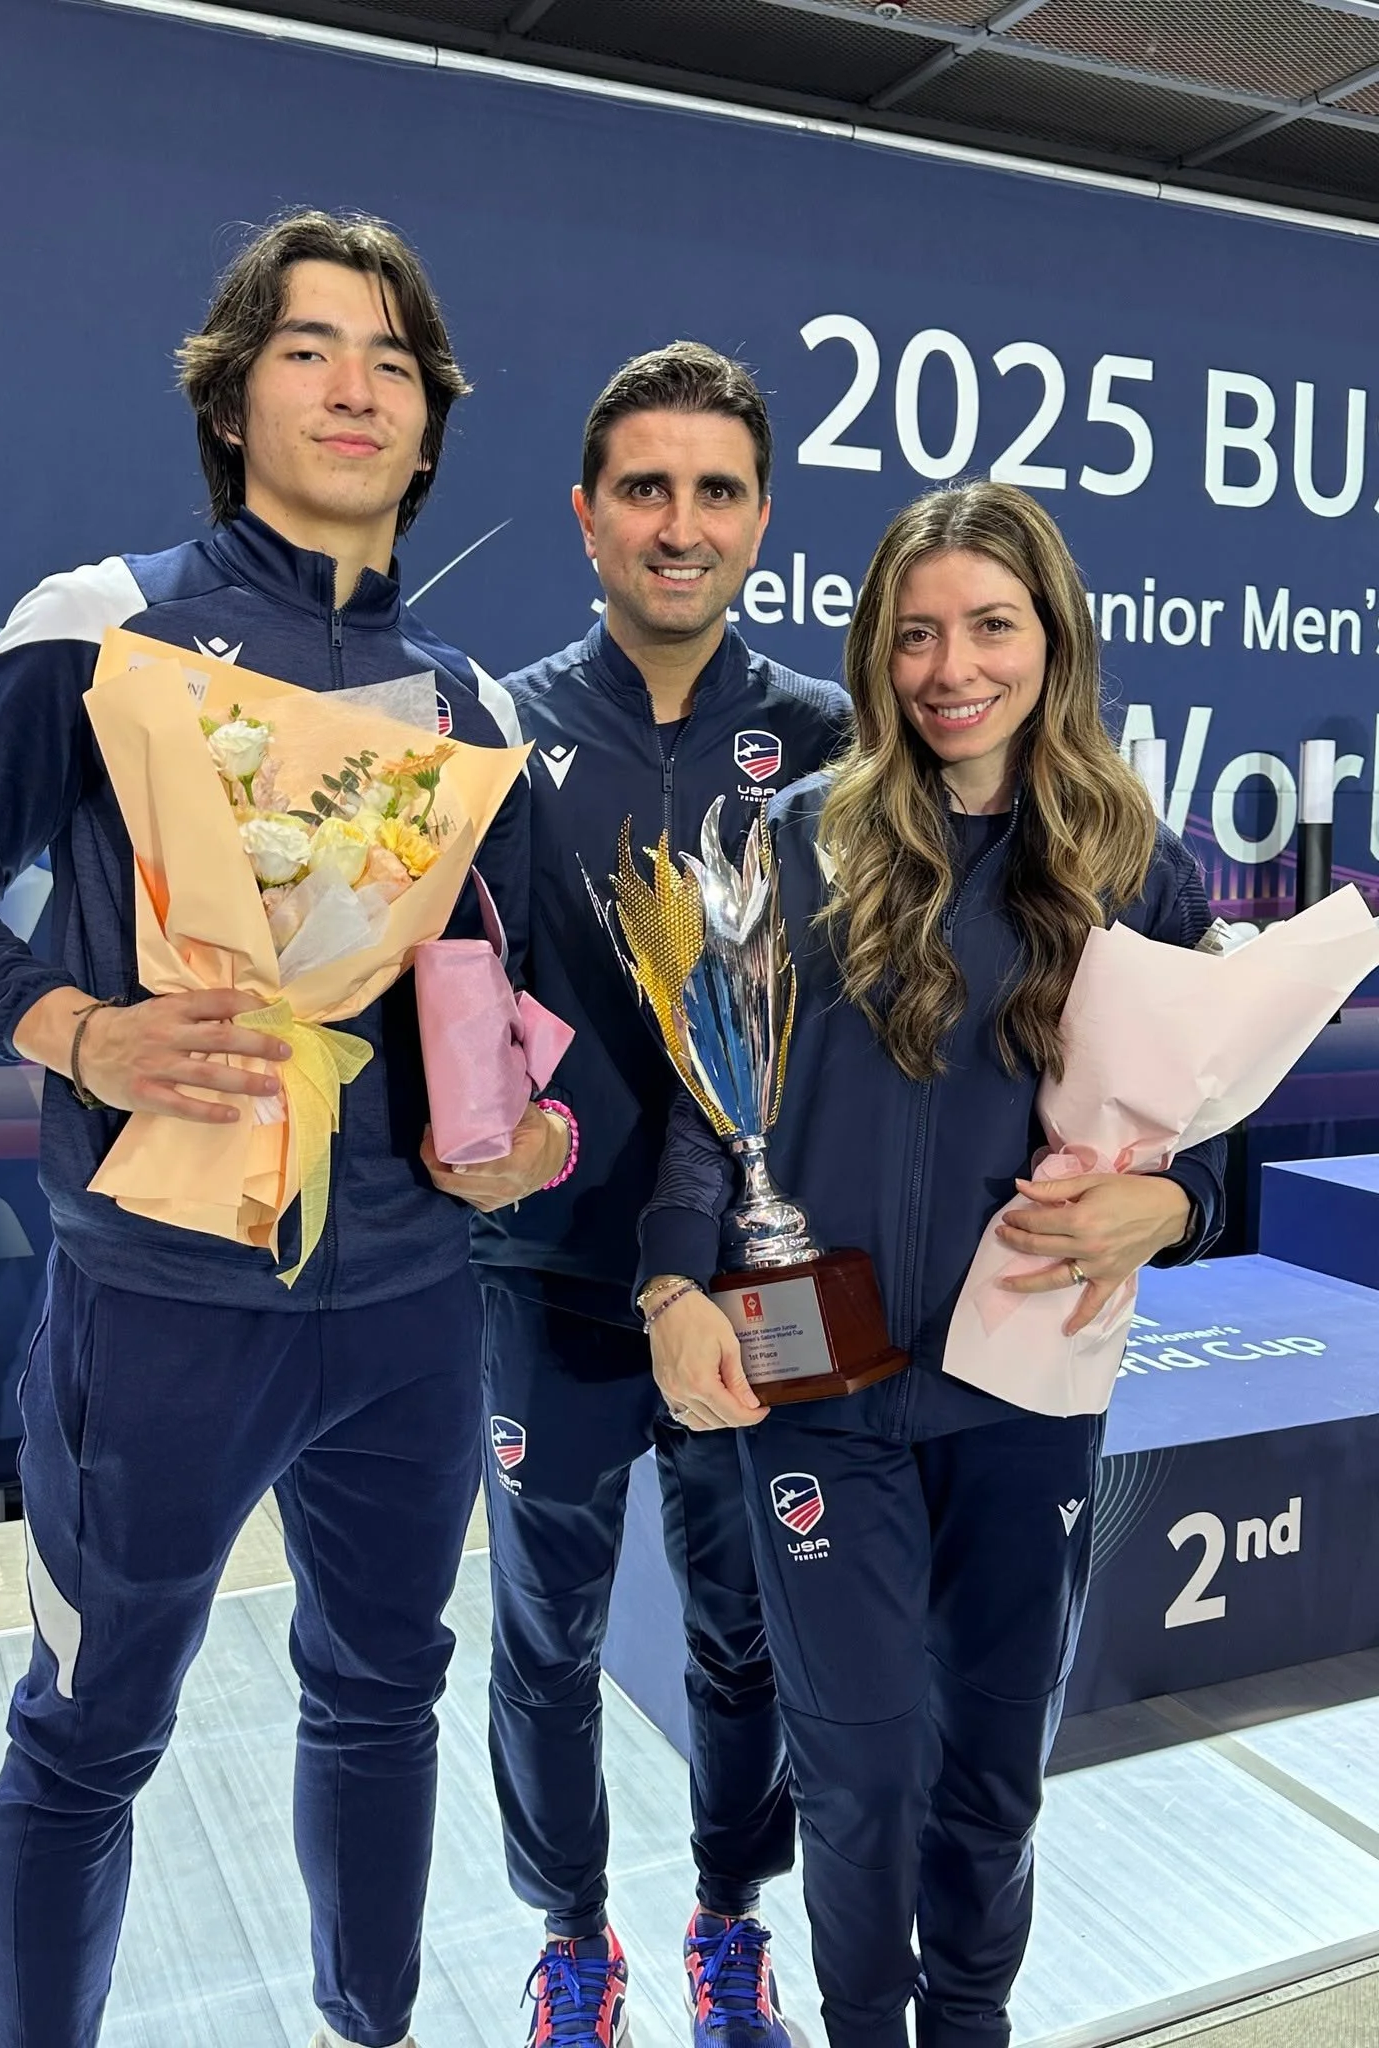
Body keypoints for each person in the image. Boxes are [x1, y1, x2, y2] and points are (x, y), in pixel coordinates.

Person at [0, 211, 565, 2048]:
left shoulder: (472, 711)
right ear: (232, 401)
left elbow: (512, 1027)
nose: (356, 385)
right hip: (155, 1315)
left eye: (394, 361)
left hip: (410, 1316)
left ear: (430, 427)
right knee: (89, 1734)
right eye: (311, 348)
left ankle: (372, 2022)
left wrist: (526, 1143)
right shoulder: (104, 628)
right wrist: (80, 1026)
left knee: (386, 1693)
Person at [634, 480, 1227, 2048]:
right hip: (817, 1390)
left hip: (1025, 1389)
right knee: (860, 1765)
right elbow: (715, 1111)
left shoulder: (1136, 867)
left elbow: (1197, 1139)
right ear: (873, 654)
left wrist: (1164, 1214)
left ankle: (973, 2022)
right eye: (914, 636)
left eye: (990, 626)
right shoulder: (791, 843)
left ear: (1055, 639)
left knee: (988, 1769)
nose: (952, 667)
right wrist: (674, 1283)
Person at [426, 342, 851, 2047]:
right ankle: (576, 1937)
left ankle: (731, 1928)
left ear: (761, 520)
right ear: (589, 517)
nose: (683, 526)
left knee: (756, 1627)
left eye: (719, 491)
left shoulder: (827, 741)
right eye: (648, 490)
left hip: (766, 1276)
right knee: (546, 1632)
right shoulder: (499, 733)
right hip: (549, 1274)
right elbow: (442, 996)